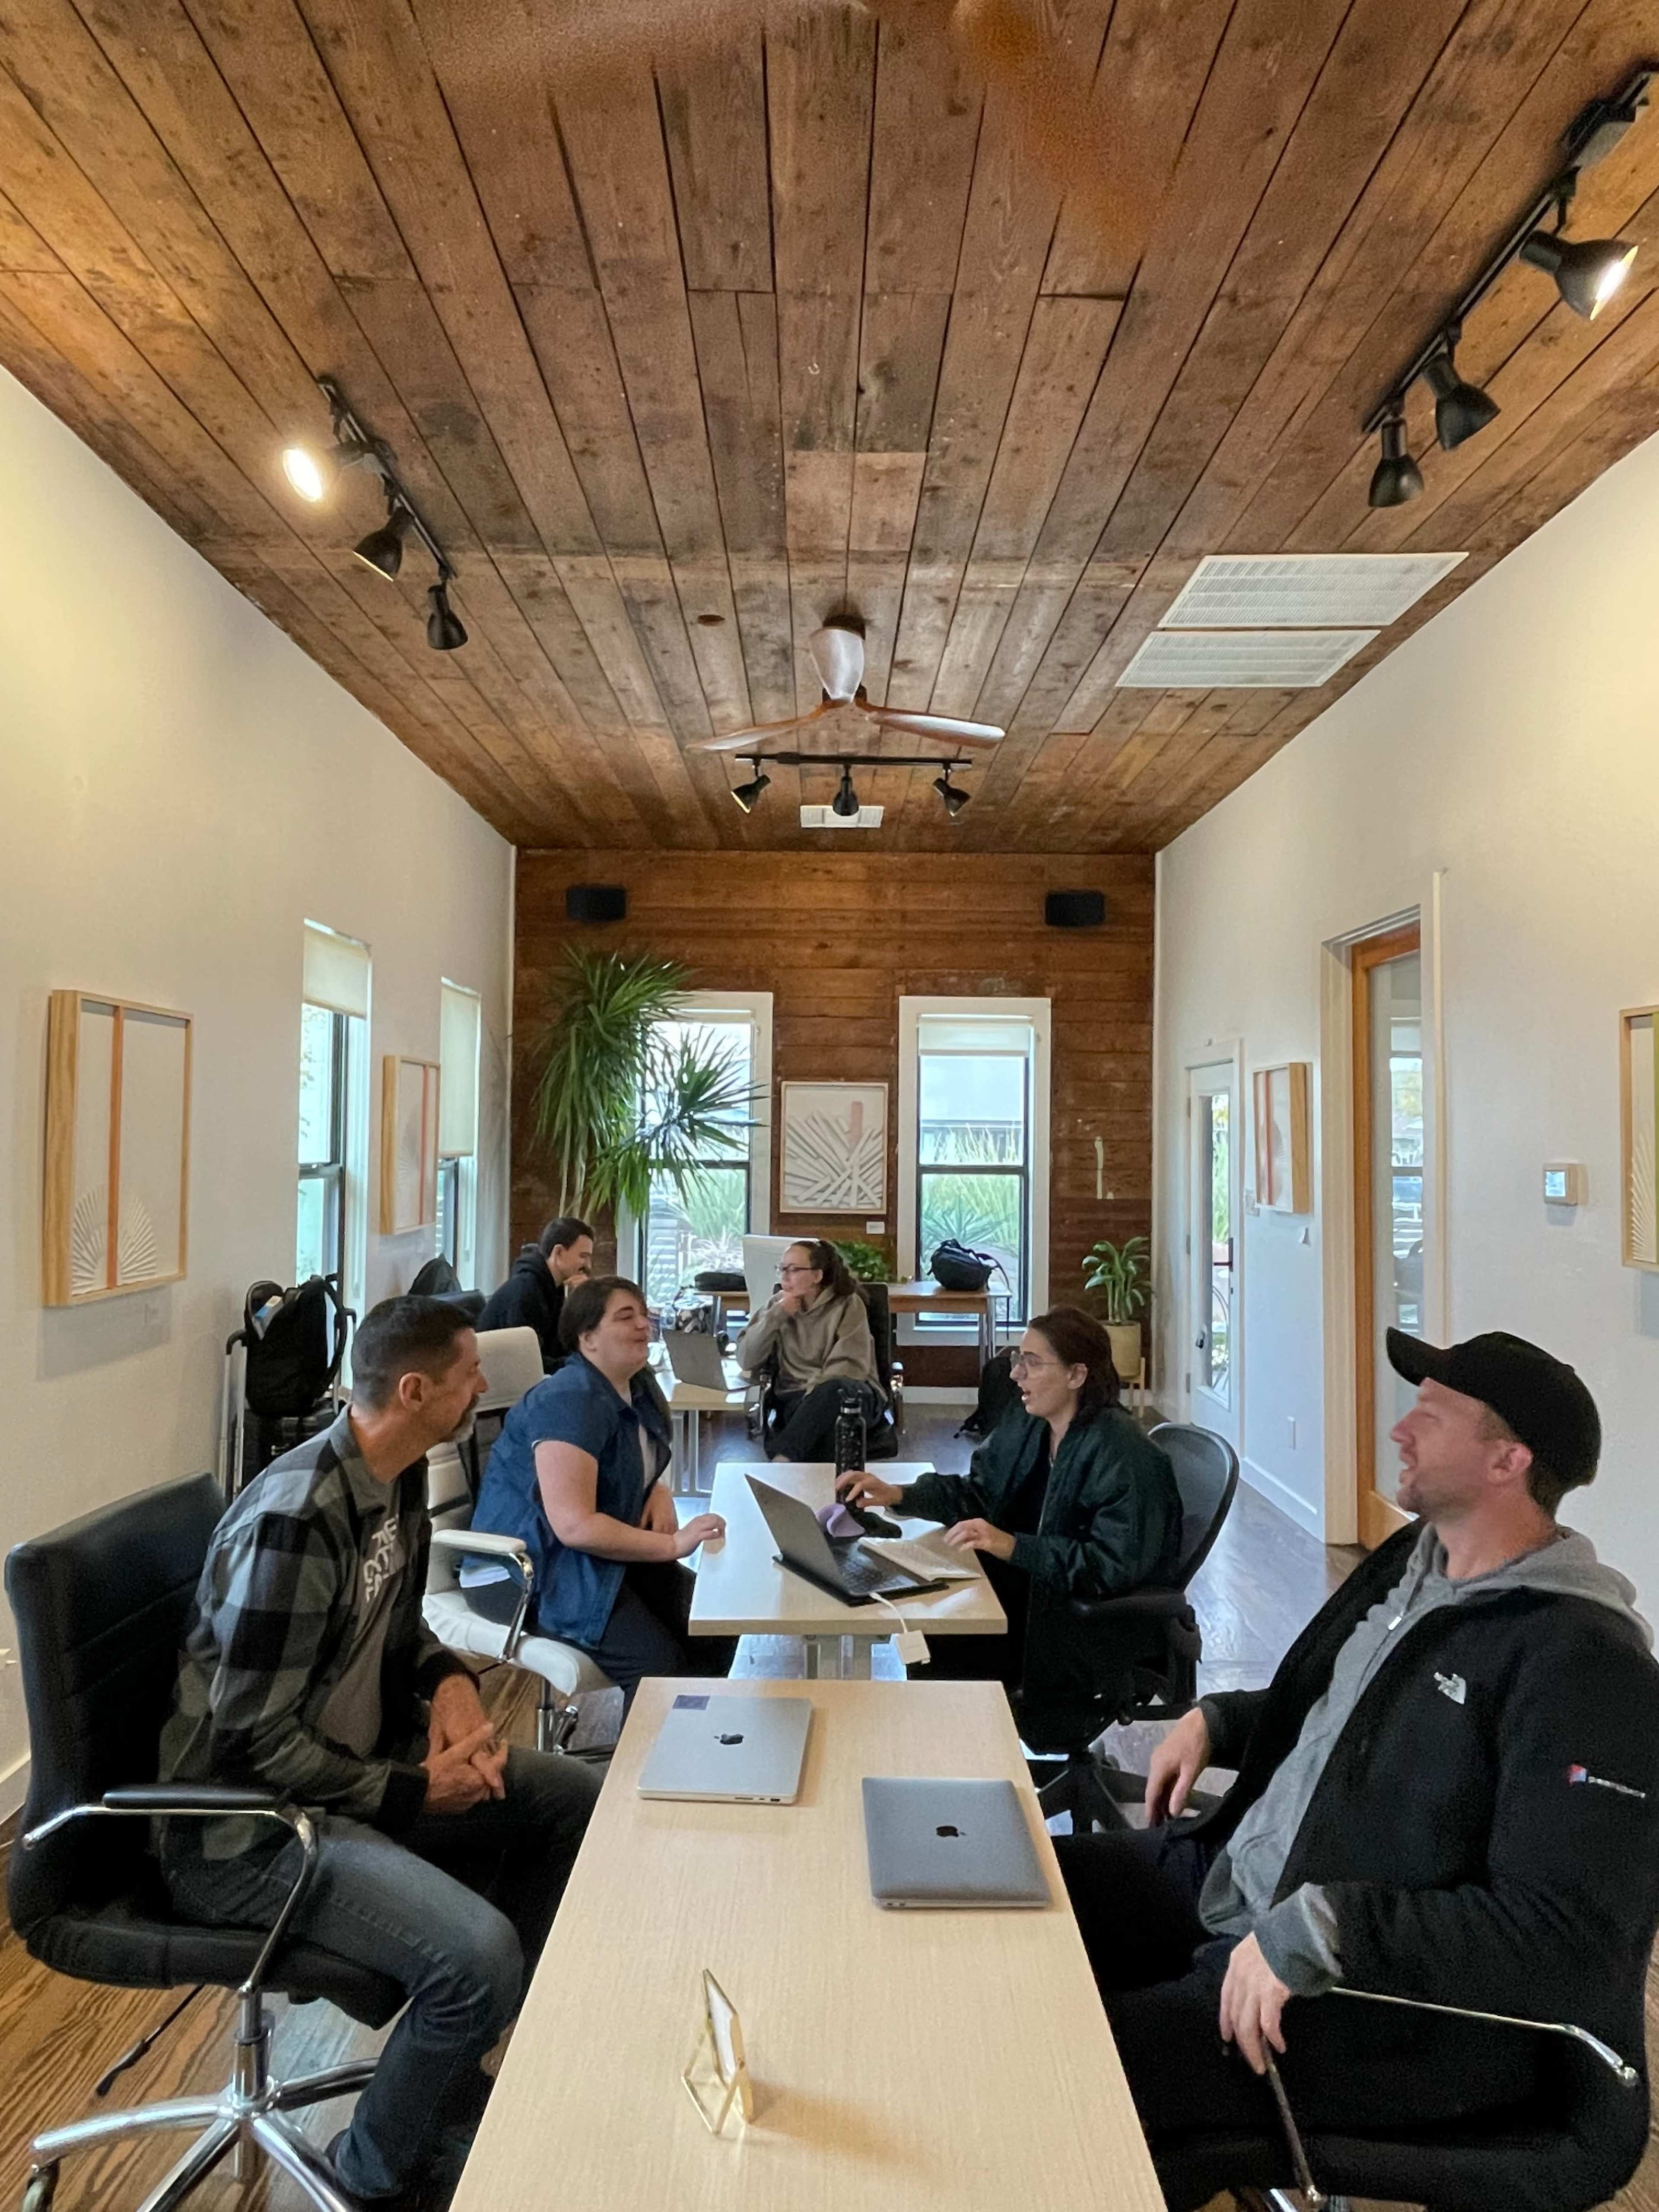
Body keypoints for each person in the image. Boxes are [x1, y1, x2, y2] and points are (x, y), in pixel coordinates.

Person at [1052, 1328, 1659, 2209]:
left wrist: (1326, 1928)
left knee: (1064, 2075)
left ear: (1508, 1460)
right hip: (1231, 1886)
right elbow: (1344, 1704)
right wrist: (1217, 1717)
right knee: (1017, 1890)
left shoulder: (1585, 1665)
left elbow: (1566, 1940)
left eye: (1433, 1415)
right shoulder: (1416, 1567)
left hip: (1371, 2006)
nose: (1401, 1431)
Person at [156, 1297, 602, 2212]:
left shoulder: (395, 1474)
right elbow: (252, 1741)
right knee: (476, 1957)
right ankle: (371, 2176)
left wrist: (449, 1684)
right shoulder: (299, 1518)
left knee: (572, 1798)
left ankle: (433, 2087)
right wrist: (411, 1791)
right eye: (469, 1372)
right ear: (413, 1388)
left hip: (341, 1777)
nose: (485, 1384)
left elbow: (401, 1635)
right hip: (246, 1832)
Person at [839, 1305, 1181, 1707]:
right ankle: (955, 1753)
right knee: (938, 1615)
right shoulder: (1033, 1422)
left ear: (1077, 1375)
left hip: (1077, 1632)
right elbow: (979, 1493)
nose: (1016, 1374)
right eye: (1018, 1360)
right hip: (1033, 1597)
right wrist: (899, 1494)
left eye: (1032, 1364)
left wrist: (1012, 1546)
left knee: (949, 1640)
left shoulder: (1124, 1455)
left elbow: (1109, 1567)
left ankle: (968, 1753)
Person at [468, 1275, 737, 1703]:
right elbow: (575, 1526)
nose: (643, 1325)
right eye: (625, 1316)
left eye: (643, 1314)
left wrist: (659, 1491)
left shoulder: (639, 1387)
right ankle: (637, 1773)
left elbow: (640, 1462)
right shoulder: (569, 1399)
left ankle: (690, 1758)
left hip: (594, 1558)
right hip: (527, 1570)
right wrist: (671, 1544)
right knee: (658, 1671)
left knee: (716, 1630)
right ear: (587, 1337)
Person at [736, 1237, 883, 1461]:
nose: (785, 1276)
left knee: (832, 1394)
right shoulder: (777, 1305)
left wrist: (813, 1399)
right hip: (798, 1401)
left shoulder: (848, 1304)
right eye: (782, 1269)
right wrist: (777, 1316)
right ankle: (823, 1490)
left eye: (794, 1270)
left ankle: (782, 1461)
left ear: (817, 1276)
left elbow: (849, 1367)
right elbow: (747, 1358)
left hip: (852, 1394)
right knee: (826, 1433)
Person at [475, 1214, 594, 1372]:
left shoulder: (553, 1288)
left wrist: (582, 1300)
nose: (588, 1265)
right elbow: (527, 1360)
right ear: (558, 1252)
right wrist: (582, 1366)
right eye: (583, 1257)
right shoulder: (526, 1291)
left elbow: (563, 1345)